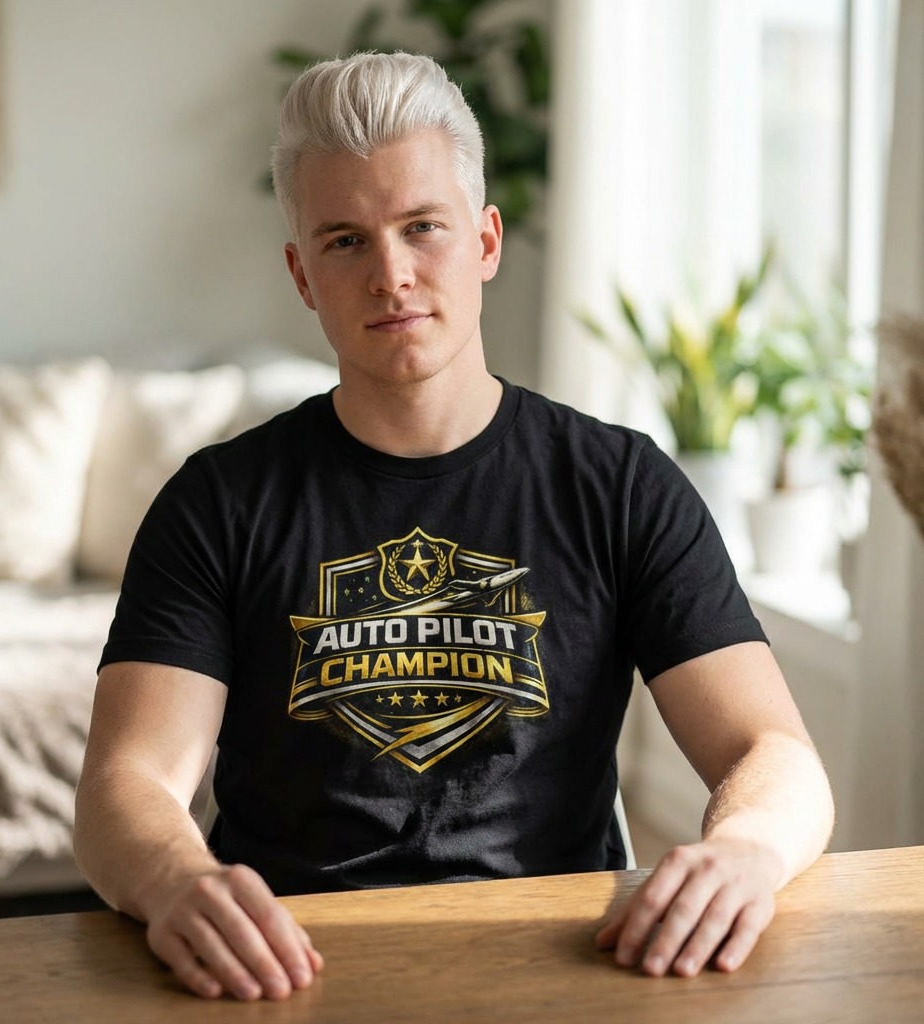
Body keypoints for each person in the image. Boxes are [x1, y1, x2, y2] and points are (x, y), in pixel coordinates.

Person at [73, 52, 834, 1002]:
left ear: (485, 242)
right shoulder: (216, 502)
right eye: (344, 241)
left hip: (566, 961)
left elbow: (776, 755)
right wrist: (177, 881)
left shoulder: (621, 484)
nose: (391, 275)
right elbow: (126, 787)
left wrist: (746, 852)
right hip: (282, 967)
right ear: (302, 275)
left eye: (421, 228)